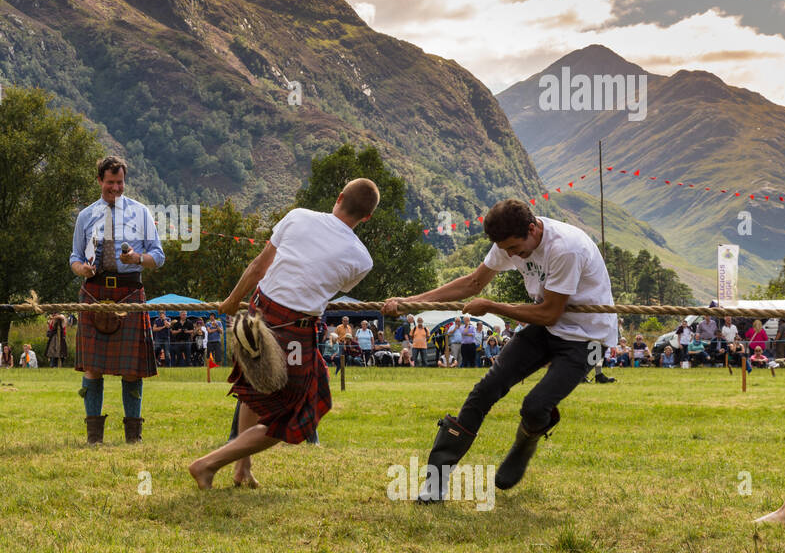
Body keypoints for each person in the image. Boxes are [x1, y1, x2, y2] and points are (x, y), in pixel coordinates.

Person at [384, 199, 618, 500]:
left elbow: (549, 313)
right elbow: (472, 283)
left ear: (532, 229)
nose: (510, 256)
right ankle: (436, 481)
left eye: (514, 249)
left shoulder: (566, 248)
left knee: (535, 406)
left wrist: (492, 306)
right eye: (505, 250)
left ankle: (528, 438)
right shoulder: (509, 241)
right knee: (485, 389)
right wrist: (410, 302)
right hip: (546, 327)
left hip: (590, 338)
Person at [189, 178, 377, 488]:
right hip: (294, 327)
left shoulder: (298, 216)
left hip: (257, 310)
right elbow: (331, 284)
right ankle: (208, 464)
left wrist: (232, 300)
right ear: (366, 217)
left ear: (339, 196)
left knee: (254, 389)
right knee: (295, 415)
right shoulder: (362, 260)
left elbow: (258, 268)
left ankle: (242, 470)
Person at [70, 155, 165, 445]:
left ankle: (133, 437)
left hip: (129, 291)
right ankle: (93, 437)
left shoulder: (141, 213)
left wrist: (137, 258)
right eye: (110, 183)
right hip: (94, 291)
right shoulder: (86, 216)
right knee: (93, 367)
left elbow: (158, 256)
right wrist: (82, 269)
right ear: (100, 181)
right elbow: (74, 257)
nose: (115, 188)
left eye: (120, 182)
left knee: (131, 369)